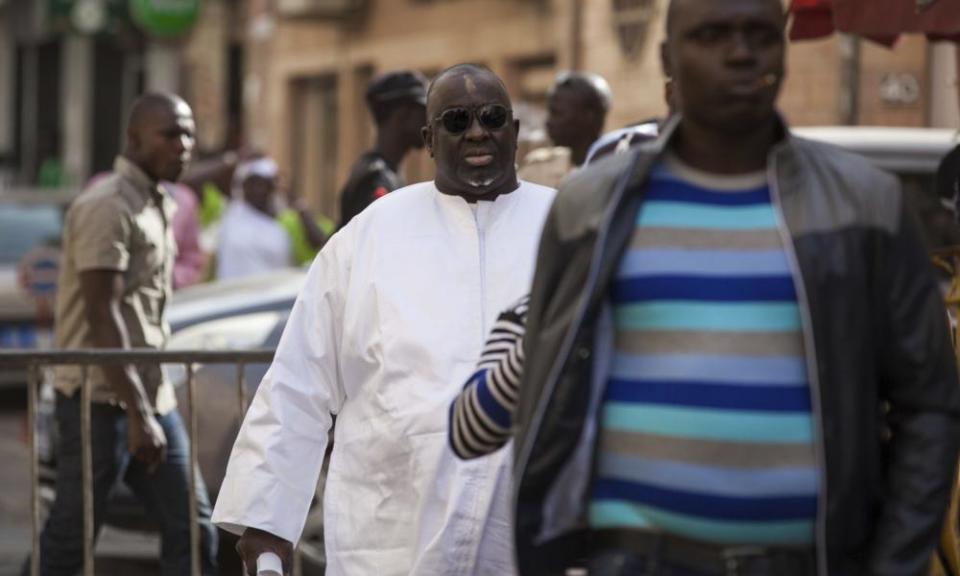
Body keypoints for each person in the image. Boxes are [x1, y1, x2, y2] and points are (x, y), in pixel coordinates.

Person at [510, 1, 960, 575]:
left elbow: (930, 405)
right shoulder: (591, 210)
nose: (741, 53)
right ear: (668, 58)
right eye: (713, 34)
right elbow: (544, 393)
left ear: (784, 50)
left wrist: (893, 564)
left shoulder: (864, 207)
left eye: (760, 35)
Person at [211, 63, 556, 576]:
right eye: (457, 120)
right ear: (429, 139)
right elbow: (299, 384)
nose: (477, 131)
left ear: (516, 131)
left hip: (532, 533)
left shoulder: (565, 228)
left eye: (492, 117)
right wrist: (267, 521)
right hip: (392, 537)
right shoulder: (368, 237)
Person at [29, 93, 217, 575]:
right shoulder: (106, 205)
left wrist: (147, 407)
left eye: (189, 133)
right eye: (171, 134)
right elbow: (101, 314)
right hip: (98, 400)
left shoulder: (160, 202)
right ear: (134, 139)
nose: (185, 145)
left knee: (195, 528)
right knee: (73, 533)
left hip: (149, 397)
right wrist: (138, 413)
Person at [338, 70, 428, 228]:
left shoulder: (387, 173)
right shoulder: (375, 179)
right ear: (403, 115)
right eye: (423, 113)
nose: (429, 122)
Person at [519, 71, 612, 188]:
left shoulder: (619, 170)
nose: (548, 122)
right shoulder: (537, 171)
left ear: (589, 116)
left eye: (558, 113)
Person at [216, 157, 294, 280]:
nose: (258, 190)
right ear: (244, 186)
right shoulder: (230, 215)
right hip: (230, 296)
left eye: (264, 184)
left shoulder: (284, 226)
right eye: (253, 183)